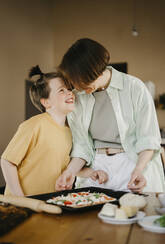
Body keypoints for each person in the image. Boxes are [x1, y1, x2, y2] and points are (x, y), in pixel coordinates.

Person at [55, 38, 165, 193]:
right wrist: (70, 172)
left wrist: (139, 170)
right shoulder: (78, 96)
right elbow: (81, 146)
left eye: (81, 81)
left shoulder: (135, 88)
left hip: (132, 163)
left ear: (95, 71)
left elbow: (148, 139)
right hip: (97, 169)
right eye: (75, 82)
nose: (78, 87)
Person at [0, 65, 76, 196]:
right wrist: (21, 199)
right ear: (46, 102)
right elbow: (7, 162)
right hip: (20, 206)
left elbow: (65, 167)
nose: (70, 92)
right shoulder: (34, 125)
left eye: (69, 89)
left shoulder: (70, 131)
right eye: (61, 90)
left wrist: (91, 173)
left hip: (49, 203)